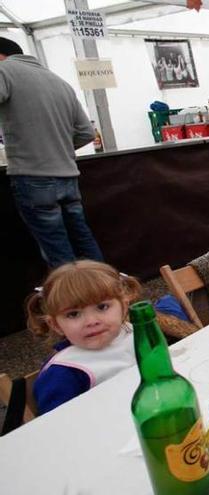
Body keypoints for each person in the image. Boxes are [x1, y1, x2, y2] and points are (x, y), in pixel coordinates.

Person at [0, 37, 104, 268]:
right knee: (83, 240)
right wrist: (58, 148)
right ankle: (108, 296)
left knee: (57, 250)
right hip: (68, 176)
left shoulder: (4, 71)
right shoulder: (58, 81)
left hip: (33, 175)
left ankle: (75, 302)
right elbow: (87, 132)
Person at [25, 260, 142, 414]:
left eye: (102, 307)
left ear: (124, 306)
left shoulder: (134, 333)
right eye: (73, 314)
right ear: (56, 325)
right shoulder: (64, 374)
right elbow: (55, 427)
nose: (91, 321)